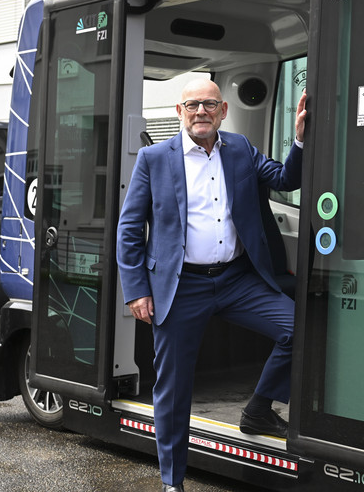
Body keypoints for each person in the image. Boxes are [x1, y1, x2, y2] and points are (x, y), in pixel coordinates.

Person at [116, 78, 307, 492]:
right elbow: (129, 229)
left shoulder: (239, 148)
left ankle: (258, 409)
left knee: (299, 329)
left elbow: (286, 178)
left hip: (237, 279)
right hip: (181, 285)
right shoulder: (153, 158)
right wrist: (137, 290)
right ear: (179, 112)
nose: (200, 111)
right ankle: (172, 482)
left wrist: (300, 141)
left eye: (209, 104)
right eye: (192, 105)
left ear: (223, 111)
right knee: (173, 388)